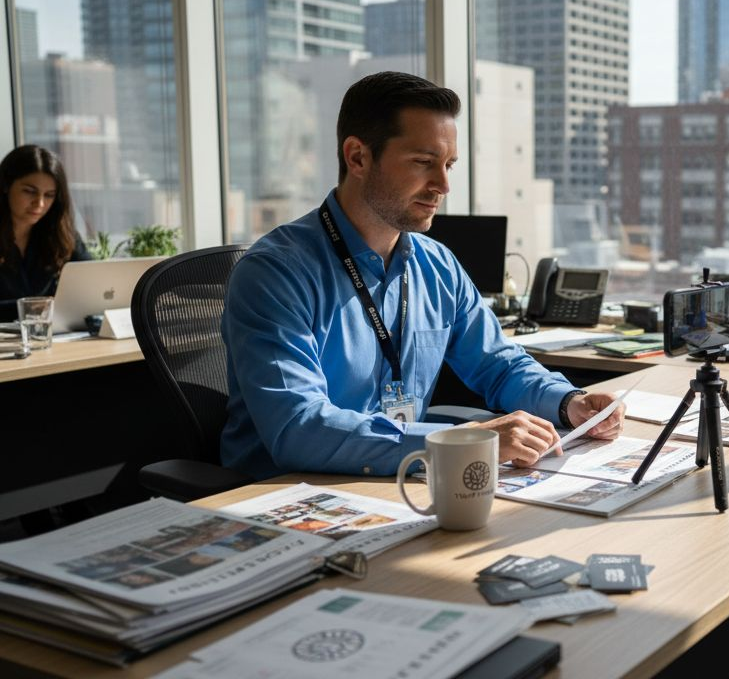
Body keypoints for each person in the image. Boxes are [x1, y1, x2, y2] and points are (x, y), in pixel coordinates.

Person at [221, 71, 624, 479]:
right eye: (423, 163)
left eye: (448, 165)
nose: (443, 185)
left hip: (397, 480)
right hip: (283, 492)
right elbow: (299, 428)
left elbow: (498, 365)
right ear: (358, 157)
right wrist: (462, 442)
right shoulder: (274, 274)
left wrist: (568, 402)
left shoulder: (438, 265)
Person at [0, 145, 91, 322]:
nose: (39, 203)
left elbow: (93, 283)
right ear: (5, 186)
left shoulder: (62, 236)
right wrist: (30, 308)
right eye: (29, 191)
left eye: (49, 195)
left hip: (53, 341)